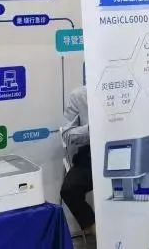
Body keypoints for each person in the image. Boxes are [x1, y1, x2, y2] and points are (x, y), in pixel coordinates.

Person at [60, 85, 94, 235]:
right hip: (91, 155)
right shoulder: (79, 96)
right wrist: (92, 128)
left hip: (130, 150)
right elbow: (67, 135)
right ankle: (96, 230)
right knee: (69, 189)